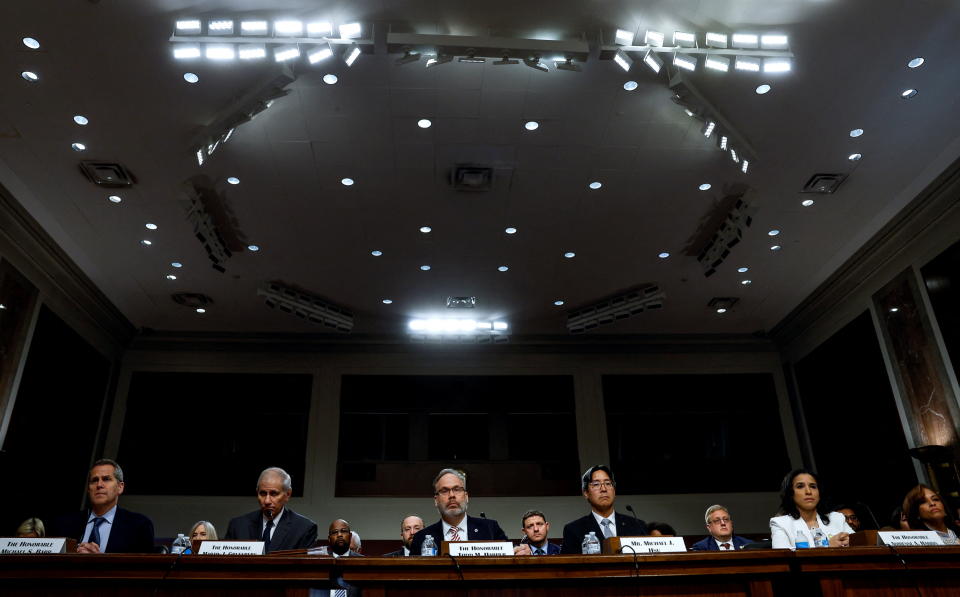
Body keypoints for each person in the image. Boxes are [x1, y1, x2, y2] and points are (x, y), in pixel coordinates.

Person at [48, 458, 155, 553]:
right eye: (94, 480)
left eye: (106, 479)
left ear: (120, 487)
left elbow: (143, 571)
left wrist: (99, 563)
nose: (99, 485)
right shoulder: (63, 524)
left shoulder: (139, 526)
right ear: (88, 489)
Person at [410, 468, 516, 555]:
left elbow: (511, 552)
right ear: (436, 500)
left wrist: (520, 550)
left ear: (466, 497)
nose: (451, 495)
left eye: (457, 489)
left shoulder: (490, 528)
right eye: (444, 491)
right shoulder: (421, 538)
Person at [224, 467, 318, 552]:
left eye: (274, 494)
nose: (267, 501)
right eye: (263, 493)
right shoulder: (238, 526)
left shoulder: (304, 529)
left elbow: (305, 570)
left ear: (288, 494)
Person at [561, 465, 648, 554]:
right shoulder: (574, 530)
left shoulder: (637, 526)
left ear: (614, 490)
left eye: (608, 483)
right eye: (596, 484)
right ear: (586, 493)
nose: (603, 489)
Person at [769, 469, 852, 550]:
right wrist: (827, 547)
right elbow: (782, 558)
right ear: (790, 493)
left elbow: (861, 544)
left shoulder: (837, 518)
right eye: (800, 486)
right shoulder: (780, 523)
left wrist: (850, 542)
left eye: (813, 486)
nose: (808, 491)